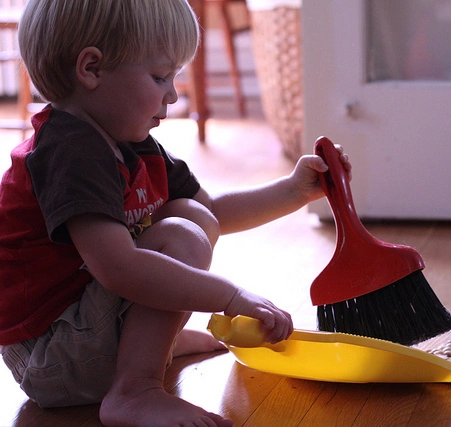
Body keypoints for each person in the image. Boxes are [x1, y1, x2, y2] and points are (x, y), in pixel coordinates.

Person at [0, 0, 351, 426]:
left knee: (192, 217)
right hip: (53, 357)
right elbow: (118, 269)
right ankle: (135, 387)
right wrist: (230, 297)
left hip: (80, 332)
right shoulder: (70, 151)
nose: (173, 93)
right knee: (181, 235)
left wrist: (295, 191)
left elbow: (213, 211)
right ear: (91, 69)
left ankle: (146, 345)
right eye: (160, 76)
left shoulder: (127, 140)